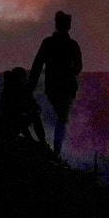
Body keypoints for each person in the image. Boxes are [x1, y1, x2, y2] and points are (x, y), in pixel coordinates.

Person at [28, 10, 83, 156]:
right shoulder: (72, 45)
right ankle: (57, 151)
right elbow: (78, 67)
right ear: (68, 26)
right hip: (67, 88)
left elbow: (37, 65)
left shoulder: (48, 43)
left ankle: (48, 145)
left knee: (53, 117)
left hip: (51, 87)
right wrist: (68, 73)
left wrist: (30, 86)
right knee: (62, 119)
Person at [0, 66, 46, 144]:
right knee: (35, 115)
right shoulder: (19, 90)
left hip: (1, 125)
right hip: (6, 127)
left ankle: (33, 139)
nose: (25, 80)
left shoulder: (8, 88)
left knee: (28, 115)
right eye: (24, 77)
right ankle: (42, 142)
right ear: (20, 78)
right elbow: (19, 115)